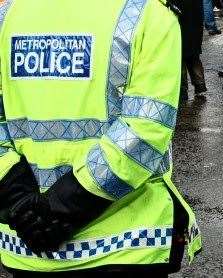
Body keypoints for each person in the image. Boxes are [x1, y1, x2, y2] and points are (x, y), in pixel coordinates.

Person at [0, 0, 202, 277]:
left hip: (26, 243)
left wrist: (18, 201)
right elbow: (144, 130)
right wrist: (61, 207)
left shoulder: (7, 16)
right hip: (125, 243)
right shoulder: (147, 14)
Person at [180, 0, 208, 100]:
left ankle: (182, 90)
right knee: (193, 54)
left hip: (180, 17)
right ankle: (200, 85)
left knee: (180, 56)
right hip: (194, 17)